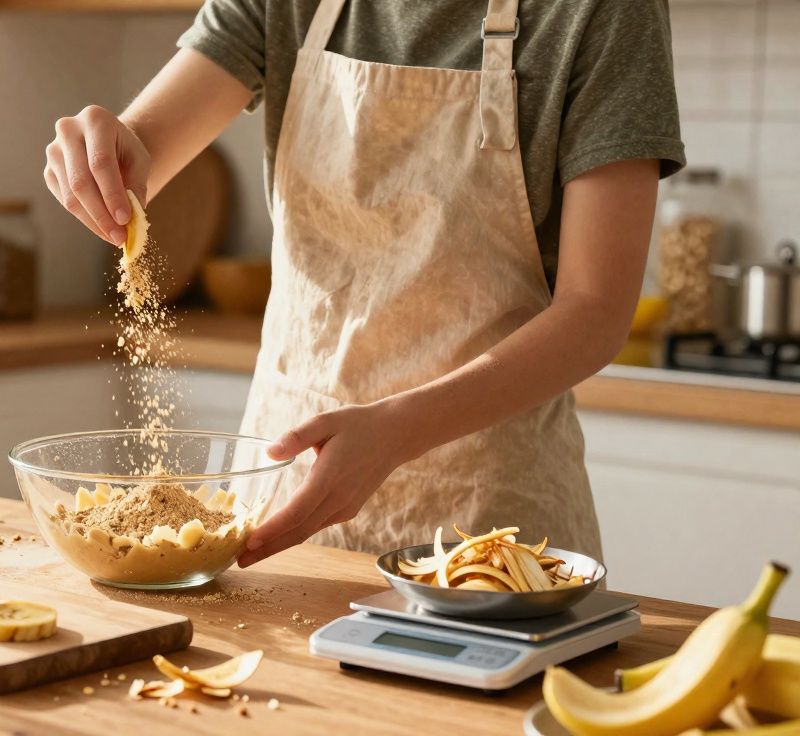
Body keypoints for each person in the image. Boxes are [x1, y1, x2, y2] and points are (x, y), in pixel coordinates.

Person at [43, 0, 684, 567]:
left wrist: (395, 433)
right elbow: (142, 150)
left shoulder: (605, 11)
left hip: (487, 533)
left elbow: (596, 311)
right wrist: (108, 155)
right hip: (285, 510)